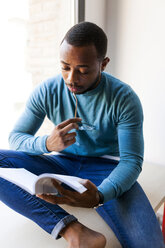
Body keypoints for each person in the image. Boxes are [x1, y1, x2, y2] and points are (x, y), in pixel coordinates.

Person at [0, 22, 164, 248]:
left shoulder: (124, 98)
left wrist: (100, 196)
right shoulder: (47, 90)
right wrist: (46, 143)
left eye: (83, 70)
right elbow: (16, 137)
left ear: (103, 64)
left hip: (109, 167)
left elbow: (132, 161)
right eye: (65, 67)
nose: (71, 78)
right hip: (61, 164)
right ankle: (72, 230)